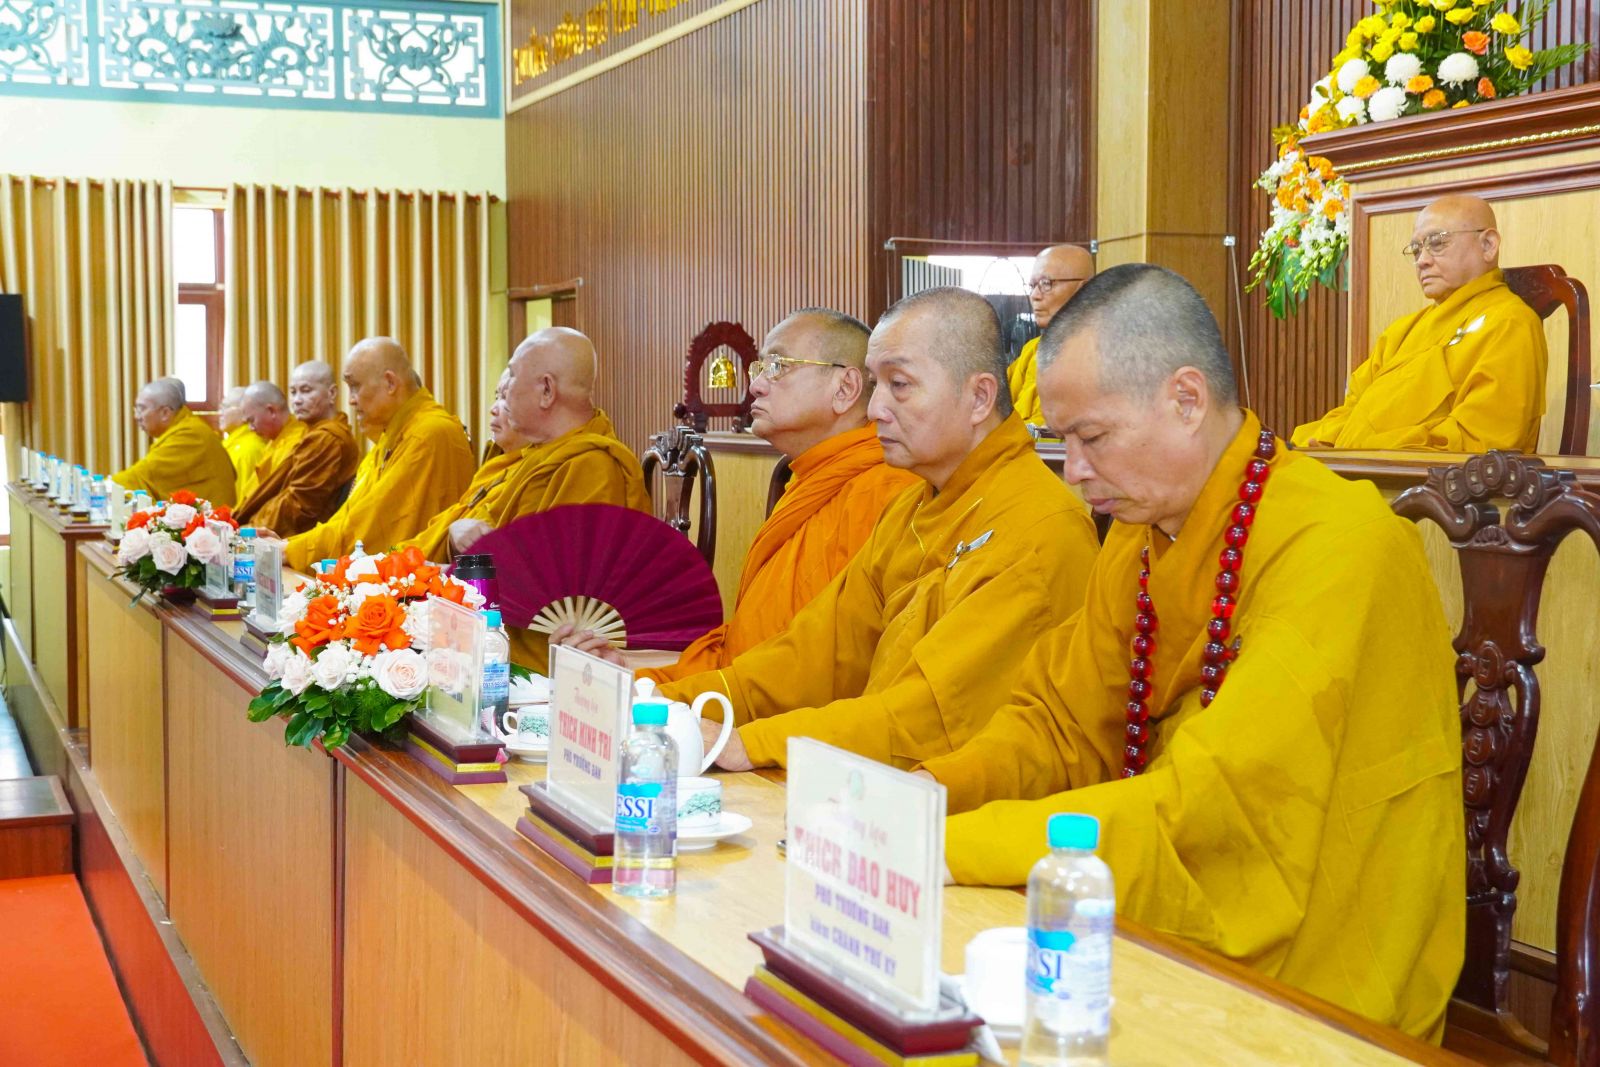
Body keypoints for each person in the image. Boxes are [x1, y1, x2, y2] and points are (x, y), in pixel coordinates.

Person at [917, 264, 1464, 1041]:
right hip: (1162, 908)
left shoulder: (1340, 546)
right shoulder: (1142, 532)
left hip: (1326, 978)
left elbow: (1217, 809)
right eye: (1063, 441)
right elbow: (1060, 722)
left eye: (1091, 437)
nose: (1074, 470)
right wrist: (927, 794)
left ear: (1185, 399)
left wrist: (955, 845)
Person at [564, 287, 1100, 770]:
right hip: (874, 776)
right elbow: (810, 656)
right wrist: (658, 699)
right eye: (877, 383)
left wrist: (749, 743)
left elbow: (928, 719)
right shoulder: (913, 508)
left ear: (980, 397)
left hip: (954, 808)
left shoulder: (1038, 528)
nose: (878, 407)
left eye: (899, 384)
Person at [634, 308, 918, 683]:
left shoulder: (885, 493)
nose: (755, 386)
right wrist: (638, 672)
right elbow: (752, 643)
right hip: (748, 694)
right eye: (759, 368)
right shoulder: (809, 481)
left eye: (777, 366)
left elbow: (829, 667)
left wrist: (662, 686)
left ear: (845, 389)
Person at [1292, 194, 1547, 452]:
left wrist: (1358, 451)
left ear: (1488, 245)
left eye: (1437, 243)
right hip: (1355, 466)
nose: (1422, 260)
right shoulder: (1403, 331)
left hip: (1413, 476)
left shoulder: (1510, 324)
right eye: (1416, 249)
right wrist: (1324, 444)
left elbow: (1480, 443)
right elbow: (1352, 410)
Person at [403, 329, 648, 560]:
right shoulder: (534, 457)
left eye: (512, 376)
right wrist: (455, 538)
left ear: (547, 391)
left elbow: (558, 579)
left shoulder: (593, 469)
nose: (505, 389)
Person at [279, 338, 474, 570]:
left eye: (355, 386)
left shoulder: (429, 434)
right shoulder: (388, 438)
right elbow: (349, 517)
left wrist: (292, 550)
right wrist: (291, 546)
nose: (351, 400)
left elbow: (371, 528)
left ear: (390, 383)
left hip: (417, 583)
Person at [235, 364, 359, 537]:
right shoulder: (311, 434)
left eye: (306, 391)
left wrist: (249, 530)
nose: (297, 400)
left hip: (306, 538)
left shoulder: (327, 438)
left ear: (331, 394)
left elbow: (299, 504)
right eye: (293, 392)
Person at [1008, 244, 1095, 427]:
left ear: (1084, 290)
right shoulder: (1032, 350)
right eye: (1033, 286)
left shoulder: (1101, 355)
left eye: (1046, 284)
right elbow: (996, 409)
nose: (1034, 295)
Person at [112, 379, 236, 505]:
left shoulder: (190, 436)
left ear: (165, 413)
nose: (137, 417)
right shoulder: (183, 428)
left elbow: (144, 474)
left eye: (141, 409)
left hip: (214, 515)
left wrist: (108, 486)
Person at [219, 385, 269, 502]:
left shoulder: (248, 450)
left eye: (225, 407)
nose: (220, 413)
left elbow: (242, 500)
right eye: (220, 407)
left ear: (244, 412)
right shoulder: (232, 444)